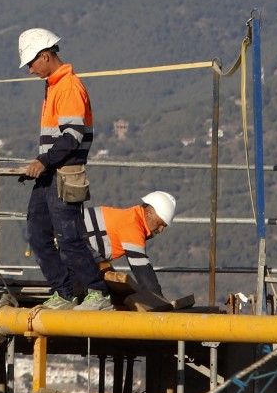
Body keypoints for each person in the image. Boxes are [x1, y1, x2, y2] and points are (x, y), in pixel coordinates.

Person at [15, 27, 108, 310]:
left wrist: (43, 161)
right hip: (50, 173)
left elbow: (72, 135)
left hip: (64, 173)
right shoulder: (54, 85)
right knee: (38, 235)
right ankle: (65, 292)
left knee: (69, 237)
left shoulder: (68, 87)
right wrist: (41, 164)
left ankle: (97, 293)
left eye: (31, 63)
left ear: (45, 56)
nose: (30, 70)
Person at [83, 191, 176, 307]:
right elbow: (142, 271)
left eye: (164, 226)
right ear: (149, 213)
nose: (161, 230)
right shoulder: (132, 225)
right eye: (160, 223)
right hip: (70, 244)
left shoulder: (130, 217)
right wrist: (160, 302)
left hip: (77, 244)